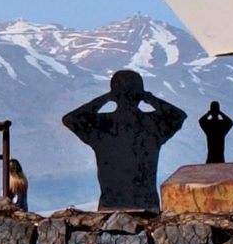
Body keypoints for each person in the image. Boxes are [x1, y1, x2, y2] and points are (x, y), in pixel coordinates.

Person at [62, 70, 187, 211]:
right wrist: (149, 98)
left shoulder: (102, 125)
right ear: (139, 93)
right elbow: (178, 116)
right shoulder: (152, 124)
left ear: (114, 93)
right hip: (147, 205)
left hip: (110, 205)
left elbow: (71, 119)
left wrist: (106, 98)